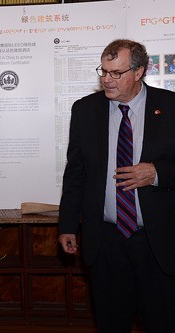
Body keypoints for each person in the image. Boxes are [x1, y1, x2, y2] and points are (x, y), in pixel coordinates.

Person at [58, 39, 175, 333]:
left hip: (157, 241)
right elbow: (76, 173)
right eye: (103, 71)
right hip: (106, 241)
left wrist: (158, 173)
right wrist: (68, 225)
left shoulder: (171, 108)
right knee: (111, 324)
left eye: (116, 73)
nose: (106, 80)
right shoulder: (85, 110)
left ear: (139, 72)